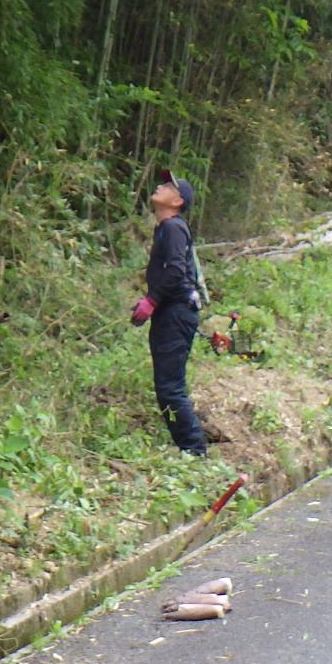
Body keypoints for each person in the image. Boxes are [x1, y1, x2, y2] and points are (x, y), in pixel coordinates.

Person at [131, 170, 207, 456]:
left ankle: (194, 449)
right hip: (172, 312)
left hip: (177, 313)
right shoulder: (166, 228)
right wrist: (152, 303)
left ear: (177, 201)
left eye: (168, 186)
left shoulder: (174, 227)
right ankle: (187, 446)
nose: (160, 186)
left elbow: (175, 271)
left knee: (171, 388)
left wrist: (152, 300)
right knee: (167, 386)